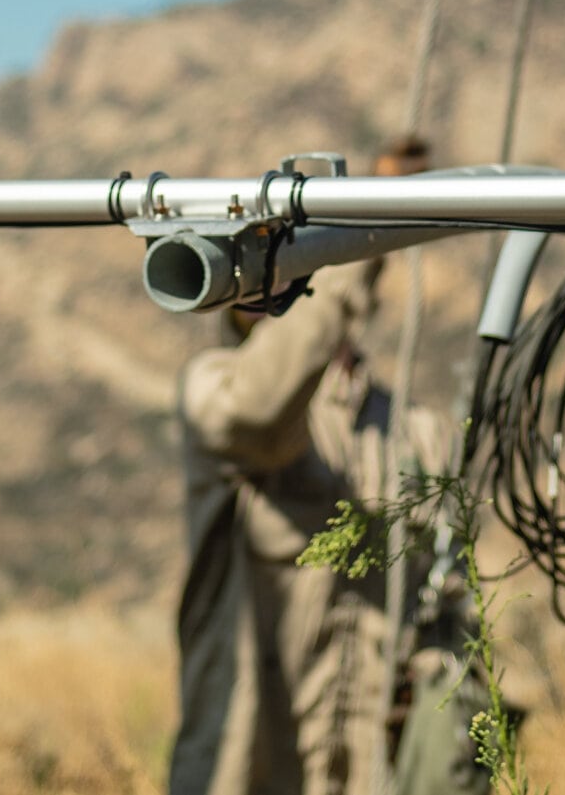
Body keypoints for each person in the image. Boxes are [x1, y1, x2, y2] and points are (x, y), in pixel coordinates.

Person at [169, 257, 477, 795]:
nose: (271, 291)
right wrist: (346, 262)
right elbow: (262, 405)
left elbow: (450, 599)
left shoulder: (417, 432)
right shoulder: (215, 392)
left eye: (287, 269)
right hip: (253, 765)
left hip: (374, 767)